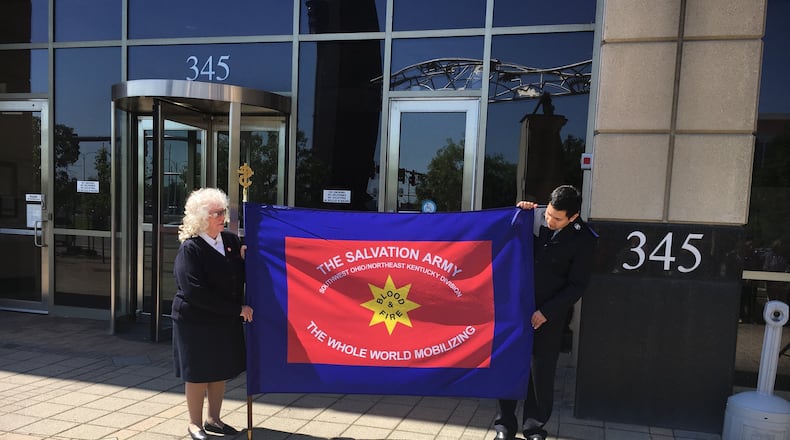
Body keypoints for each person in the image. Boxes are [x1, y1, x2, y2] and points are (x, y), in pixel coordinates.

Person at [494, 185, 597, 440]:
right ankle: (504, 425)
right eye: (549, 213)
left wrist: (547, 312)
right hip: (516, 308)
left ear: (572, 217)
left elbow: (577, 284)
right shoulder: (530, 216)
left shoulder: (584, 239)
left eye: (557, 218)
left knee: (541, 371)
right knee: (509, 364)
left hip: (549, 314)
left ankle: (534, 426)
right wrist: (519, 212)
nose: (549, 221)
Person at [171, 188, 254, 440]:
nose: (223, 217)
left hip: (222, 318)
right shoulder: (191, 248)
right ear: (201, 217)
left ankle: (214, 419)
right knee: (198, 373)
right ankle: (195, 424)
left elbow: (237, 275)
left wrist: (245, 260)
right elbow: (194, 291)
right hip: (195, 319)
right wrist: (236, 309)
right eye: (217, 213)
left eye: (223, 212)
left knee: (220, 369)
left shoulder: (229, 241)